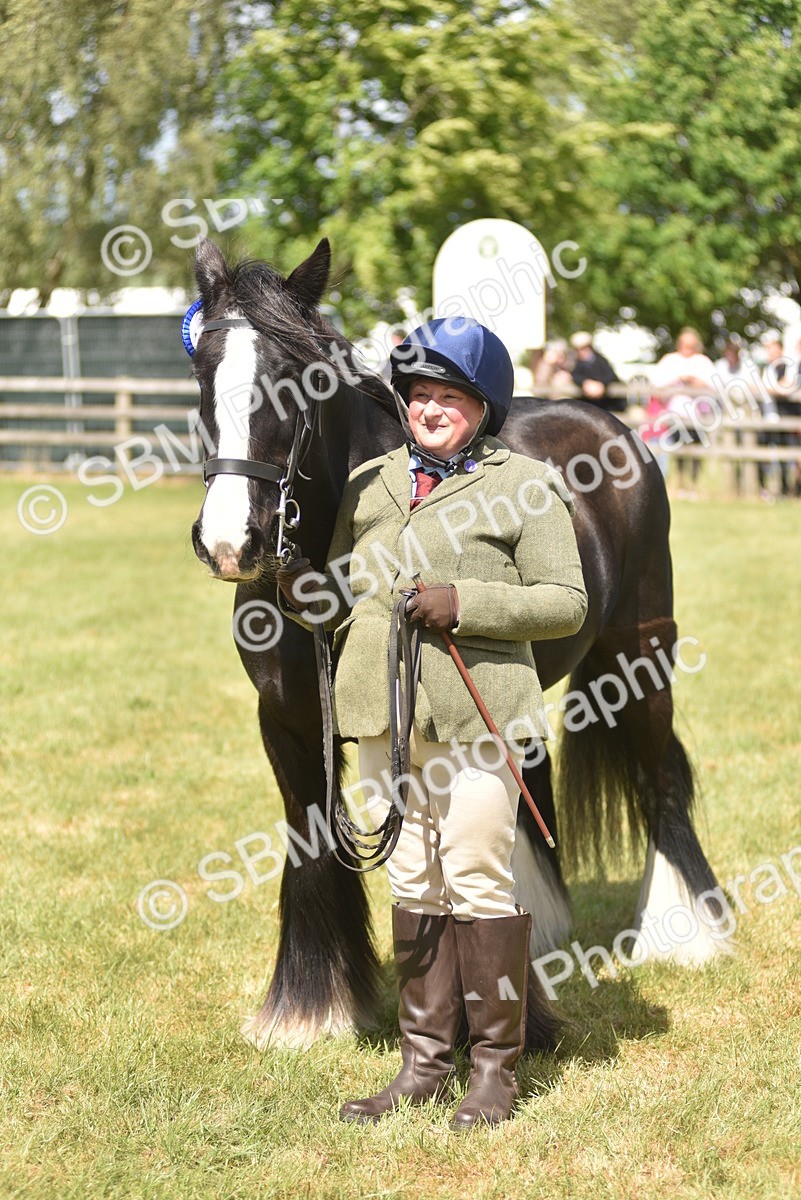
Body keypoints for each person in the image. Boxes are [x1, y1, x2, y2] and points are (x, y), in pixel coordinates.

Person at [276, 317, 588, 1128]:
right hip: (384, 714)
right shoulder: (370, 482)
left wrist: (466, 602)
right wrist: (304, 585)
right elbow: (346, 587)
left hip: (477, 715)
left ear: (481, 406)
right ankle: (422, 1063)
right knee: (412, 877)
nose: (431, 408)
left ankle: (493, 1071)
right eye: (418, 395)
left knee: (478, 876)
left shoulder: (524, 482)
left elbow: (565, 603)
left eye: (449, 395)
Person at [649, 327, 717, 496]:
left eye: (690, 346)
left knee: (695, 452)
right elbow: (657, 382)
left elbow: (714, 384)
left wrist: (695, 382)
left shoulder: (702, 362)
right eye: (684, 345)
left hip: (697, 416)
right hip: (675, 415)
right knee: (677, 453)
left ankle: (693, 486)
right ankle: (679, 484)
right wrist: (676, 380)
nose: (687, 349)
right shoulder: (670, 360)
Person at [569, 331, 624, 412]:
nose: (580, 352)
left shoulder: (601, 360)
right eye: (577, 349)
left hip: (606, 405)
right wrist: (586, 382)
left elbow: (610, 376)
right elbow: (575, 375)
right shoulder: (578, 363)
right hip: (589, 405)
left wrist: (600, 384)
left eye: (583, 348)